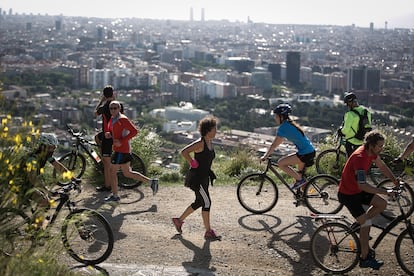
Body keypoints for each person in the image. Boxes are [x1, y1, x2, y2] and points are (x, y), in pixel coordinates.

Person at [338, 131, 398, 269]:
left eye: (382, 146)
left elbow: (382, 166)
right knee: (367, 223)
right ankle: (364, 258)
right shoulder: (360, 157)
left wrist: (395, 181)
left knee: (382, 204)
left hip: (358, 191)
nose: (381, 149)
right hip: (348, 194)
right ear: (371, 145)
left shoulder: (371, 153)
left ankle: (357, 225)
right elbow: (363, 185)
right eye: (379, 146)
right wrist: (385, 191)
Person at [172, 115, 220, 240]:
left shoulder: (210, 142)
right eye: (215, 129)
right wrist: (191, 161)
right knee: (207, 202)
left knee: (200, 202)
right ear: (208, 130)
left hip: (204, 178)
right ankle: (208, 231)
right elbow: (184, 151)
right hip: (197, 179)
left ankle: (179, 220)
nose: (216, 131)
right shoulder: (200, 143)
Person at [104, 100, 158, 203]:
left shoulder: (122, 119)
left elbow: (134, 131)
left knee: (112, 171)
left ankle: (115, 195)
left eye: (115, 108)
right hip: (119, 149)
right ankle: (152, 182)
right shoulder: (112, 119)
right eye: (111, 108)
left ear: (119, 109)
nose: (113, 110)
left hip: (122, 150)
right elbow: (111, 129)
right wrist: (108, 133)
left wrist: (121, 141)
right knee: (127, 173)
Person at [260, 103, 316, 190]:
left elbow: (274, 145)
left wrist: (265, 156)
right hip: (309, 151)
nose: (275, 118)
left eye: (276, 116)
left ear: (281, 117)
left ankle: (301, 181)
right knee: (299, 176)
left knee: (281, 163)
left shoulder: (283, 128)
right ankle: (303, 198)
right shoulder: (290, 124)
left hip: (305, 153)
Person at [19, 133, 70, 208]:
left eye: (54, 148)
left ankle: (38, 213)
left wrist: (73, 178)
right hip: (20, 184)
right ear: (42, 147)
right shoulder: (32, 160)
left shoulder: (45, 155)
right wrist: (47, 191)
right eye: (50, 148)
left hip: (29, 182)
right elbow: (33, 179)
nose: (52, 150)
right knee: (45, 201)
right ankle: (35, 219)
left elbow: (58, 166)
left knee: (47, 201)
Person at [94, 85, 115, 192]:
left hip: (108, 136)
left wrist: (101, 101)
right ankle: (102, 153)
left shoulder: (105, 106)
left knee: (107, 164)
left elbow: (95, 113)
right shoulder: (117, 105)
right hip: (115, 133)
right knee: (97, 137)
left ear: (104, 95)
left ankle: (107, 186)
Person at [339, 92, 372, 157]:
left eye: (347, 104)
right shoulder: (366, 111)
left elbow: (346, 129)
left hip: (352, 140)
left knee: (351, 159)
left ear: (350, 103)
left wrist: (340, 132)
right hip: (364, 139)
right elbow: (369, 124)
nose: (347, 106)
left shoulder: (350, 114)